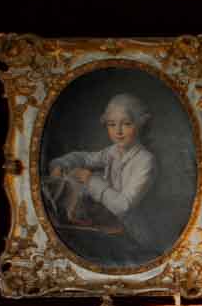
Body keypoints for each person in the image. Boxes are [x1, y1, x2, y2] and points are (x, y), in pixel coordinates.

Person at [47, 92, 160, 253]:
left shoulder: (146, 161)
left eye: (126, 124)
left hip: (132, 235)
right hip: (109, 224)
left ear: (140, 124)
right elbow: (85, 158)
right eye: (112, 124)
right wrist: (61, 164)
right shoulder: (113, 151)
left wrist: (91, 179)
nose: (118, 131)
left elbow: (123, 206)